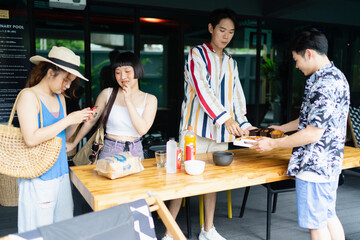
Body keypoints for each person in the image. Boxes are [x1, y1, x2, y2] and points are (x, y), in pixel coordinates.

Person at [163, 8, 254, 240]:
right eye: (222, 30)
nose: (226, 36)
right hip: (195, 130)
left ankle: (207, 230)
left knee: (213, 182)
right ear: (211, 28)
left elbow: (236, 95)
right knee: (181, 182)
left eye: (231, 32)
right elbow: (202, 90)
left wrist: (243, 124)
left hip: (220, 134)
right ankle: (169, 233)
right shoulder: (196, 55)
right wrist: (226, 118)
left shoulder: (232, 62)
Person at [251, 29, 349, 240]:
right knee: (328, 216)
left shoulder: (324, 84)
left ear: (309, 53)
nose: (296, 65)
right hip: (329, 165)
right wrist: (281, 129)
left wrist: (273, 145)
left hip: (314, 166)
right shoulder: (336, 76)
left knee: (316, 225)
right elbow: (309, 120)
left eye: (297, 60)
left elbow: (312, 134)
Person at [16, 46, 93, 232]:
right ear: (51, 72)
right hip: (38, 176)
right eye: (66, 80)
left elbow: (61, 138)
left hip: (60, 172)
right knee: (37, 232)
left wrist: (77, 121)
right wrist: (68, 119)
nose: (67, 86)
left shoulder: (60, 98)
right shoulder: (28, 96)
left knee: (62, 230)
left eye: (71, 81)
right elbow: (31, 138)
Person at [66, 51, 157, 160]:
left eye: (127, 71)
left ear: (137, 71)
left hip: (135, 150)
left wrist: (128, 100)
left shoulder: (150, 99)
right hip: (110, 148)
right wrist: (74, 143)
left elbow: (142, 130)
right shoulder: (107, 94)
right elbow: (91, 121)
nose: (122, 76)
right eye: (118, 72)